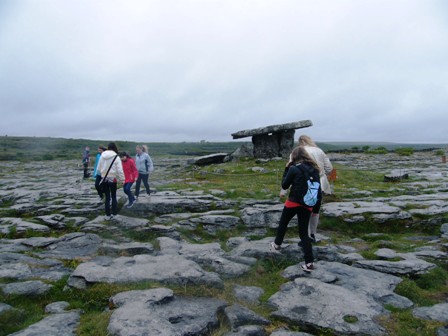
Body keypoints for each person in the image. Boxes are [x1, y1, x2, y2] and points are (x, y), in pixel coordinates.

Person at [271, 146, 322, 273]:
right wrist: (315, 207)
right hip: (307, 204)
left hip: (293, 202)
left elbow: (285, 185)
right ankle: (309, 263)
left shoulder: (294, 168)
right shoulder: (315, 170)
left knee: (283, 223)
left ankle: (277, 245)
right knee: (304, 233)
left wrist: (287, 169)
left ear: (294, 157)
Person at [298, 135, 333, 243]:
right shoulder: (320, 151)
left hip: (304, 183)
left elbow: (294, 167)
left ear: (300, 142)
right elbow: (329, 168)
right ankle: (313, 234)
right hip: (320, 183)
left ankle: (306, 235)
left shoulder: (299, 151)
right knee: (315, 210)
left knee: (305, 210)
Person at [97, 142, 125, 220]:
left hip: (104, 178)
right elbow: (120, 170)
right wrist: (122, 179)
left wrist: (103, 173)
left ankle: (107, 215)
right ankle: (114, 213)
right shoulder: (116, 157)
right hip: (113, 179)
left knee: (107, 197)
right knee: (113, 196)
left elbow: (98, 168)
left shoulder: (102, 155)